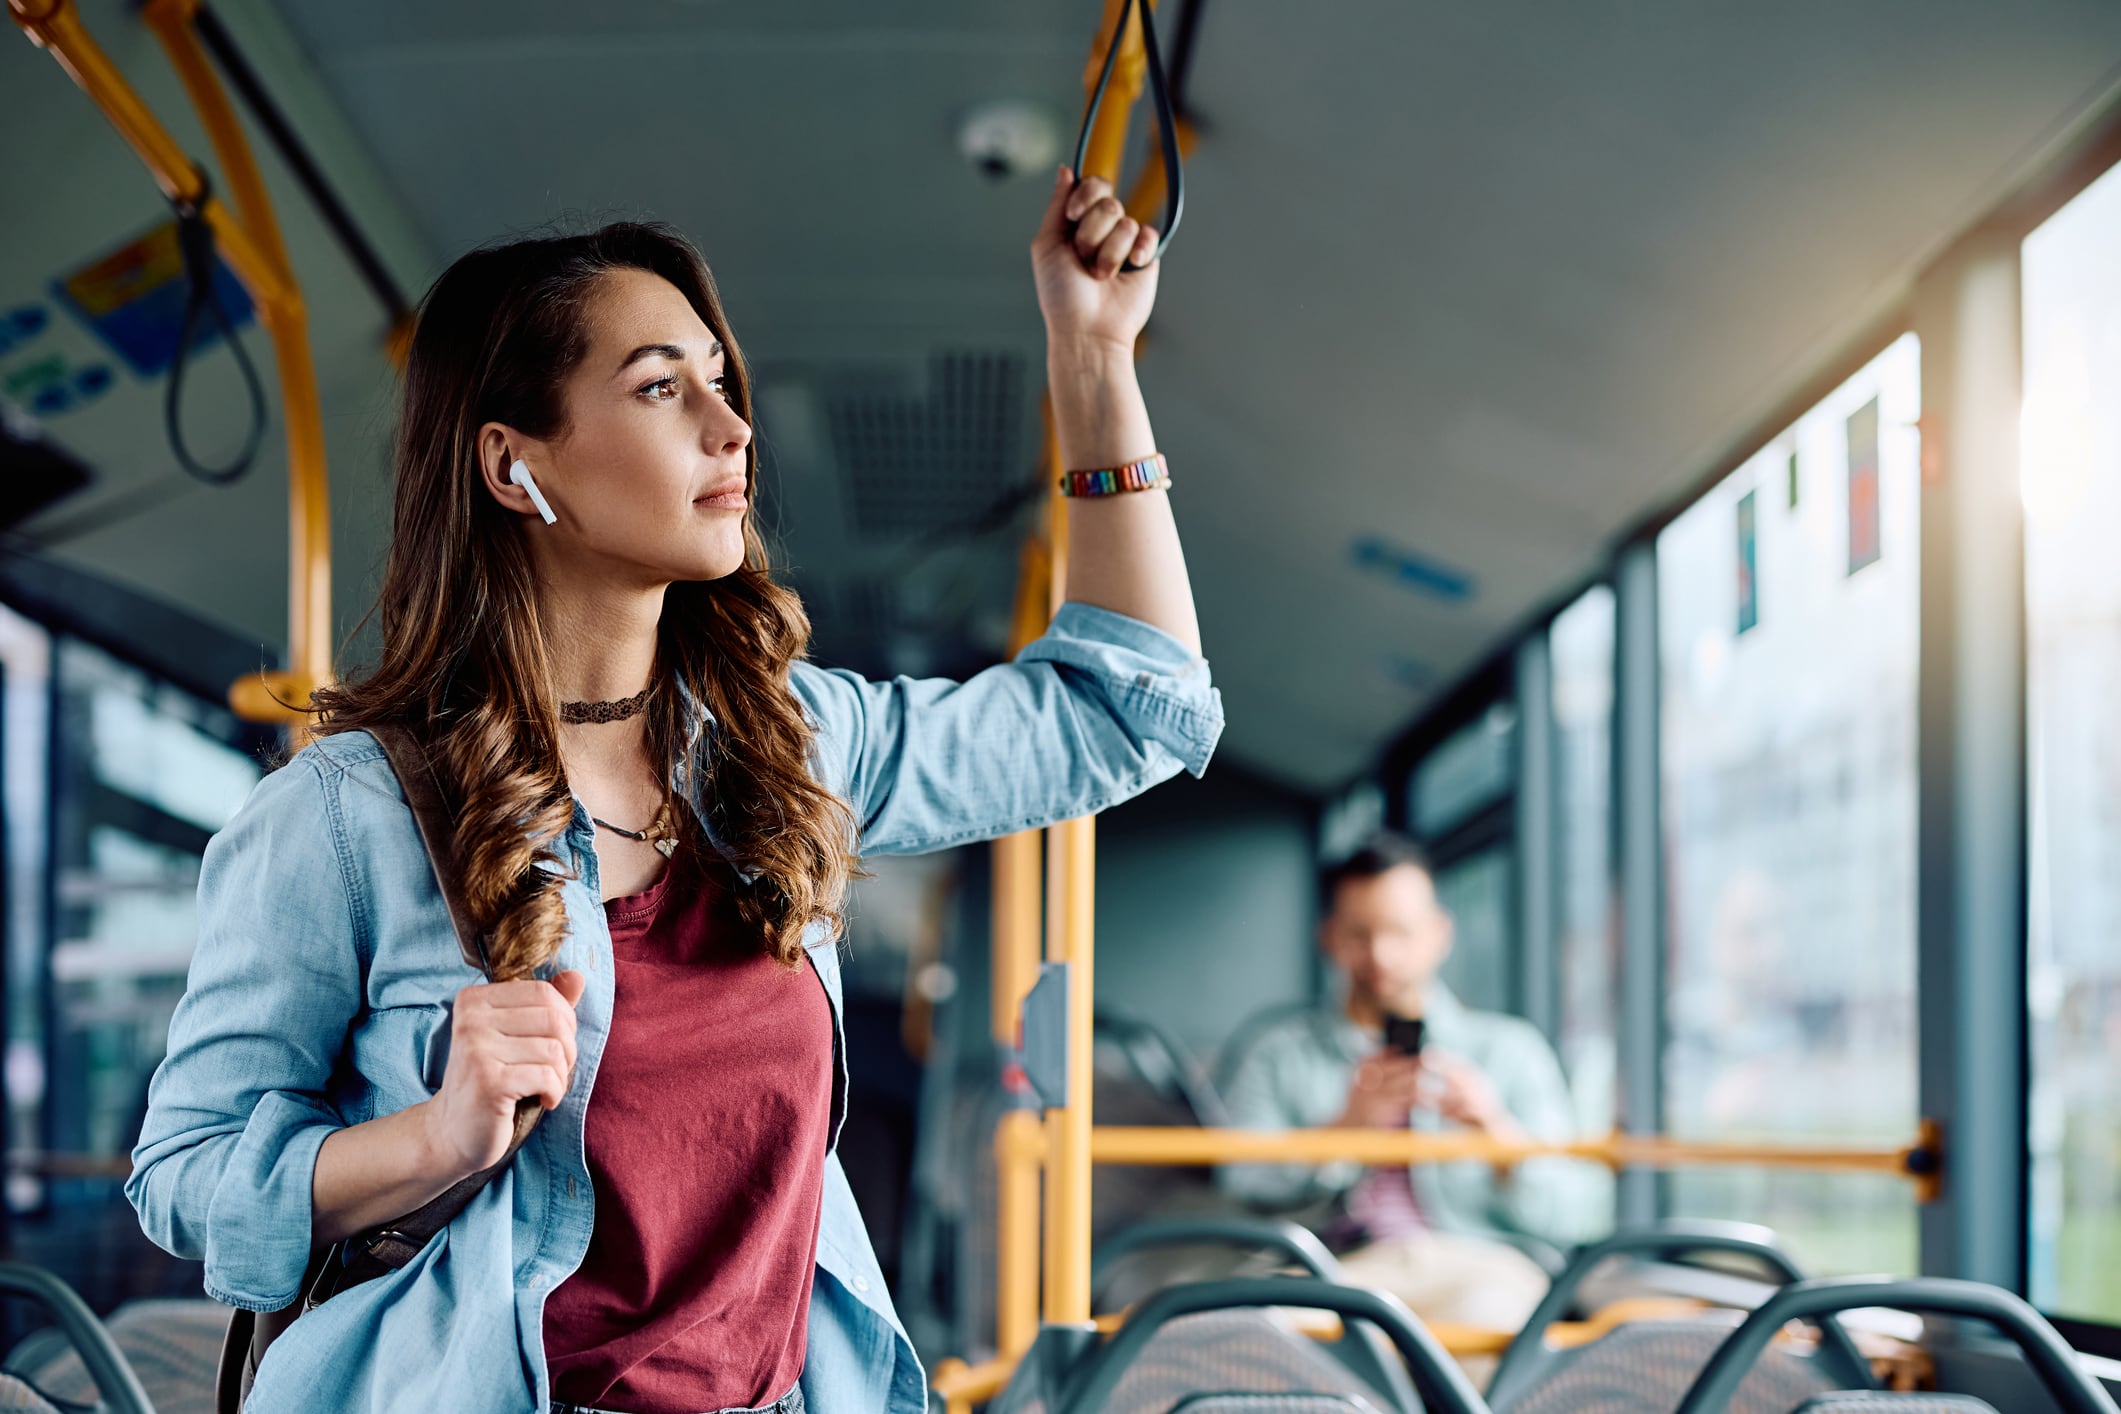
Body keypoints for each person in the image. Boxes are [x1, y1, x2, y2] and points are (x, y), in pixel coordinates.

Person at [127, 169, 1221, 1414]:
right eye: (660, 387)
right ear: (513, 464)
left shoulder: (786, 745)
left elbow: (1125, 709)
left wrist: (1092, 354)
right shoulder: (347, 814)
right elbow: (187, 1172)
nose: (731, 424)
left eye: (719, 380)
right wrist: (432, 1139)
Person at [1217, 834, 1609, 1331]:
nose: (1381, 956)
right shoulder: (1278, 1051)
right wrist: (1343, 1130)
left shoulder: (1510, 1051)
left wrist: (1495, 1130)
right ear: (1328, 938)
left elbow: (1573, 1213)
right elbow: (1240, 1183)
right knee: (1259, 1341)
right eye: (1360, 935)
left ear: (1439, 933)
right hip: (1331, 1269)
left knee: (1489, 1324)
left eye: (1399, 933)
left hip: (1478, 1267)